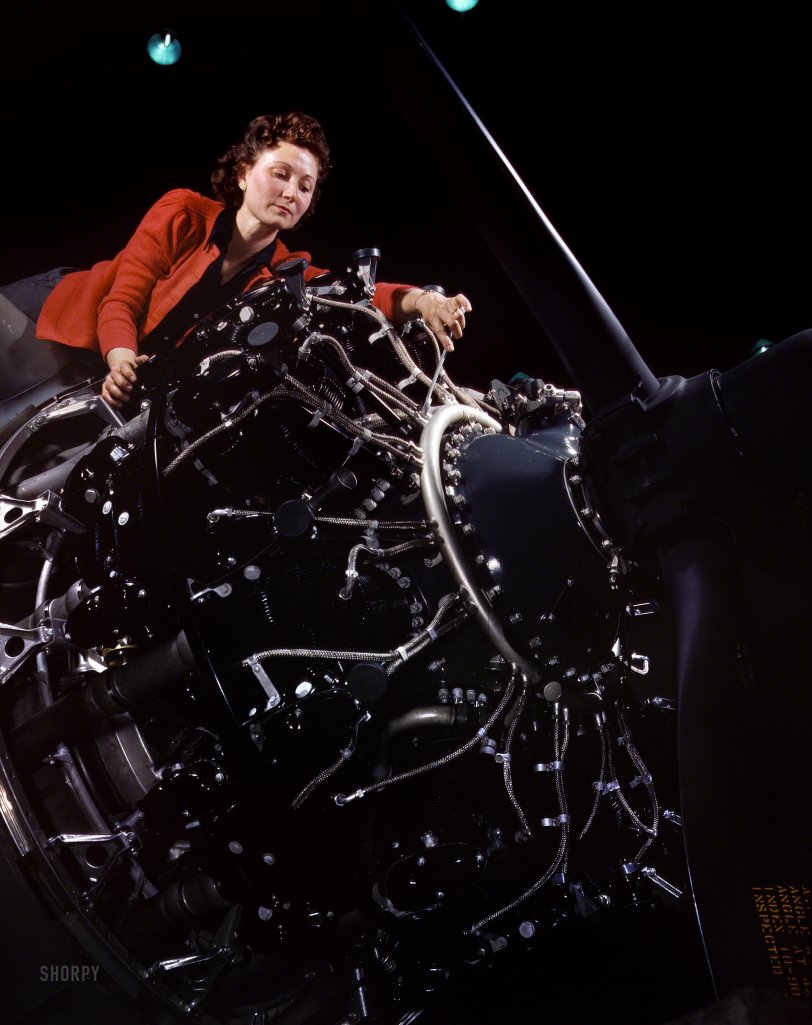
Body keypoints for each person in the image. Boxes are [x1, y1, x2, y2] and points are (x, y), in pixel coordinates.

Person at [0, 111, 472, 410]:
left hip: (114, 371)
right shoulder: (182, 212)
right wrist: (121, 356)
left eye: (304, 187)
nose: (291, 192)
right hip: (56, 319)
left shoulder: (285, 270)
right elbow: (122, 299)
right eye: (280, 174)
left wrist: (423, 301)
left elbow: (355, 292)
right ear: (245, 174)